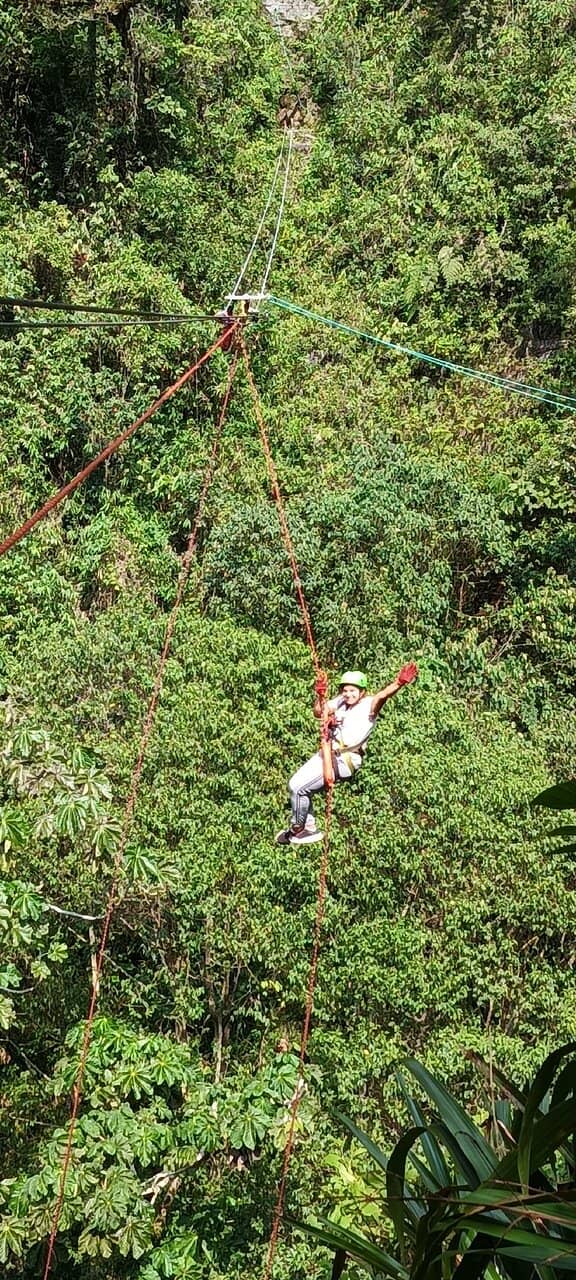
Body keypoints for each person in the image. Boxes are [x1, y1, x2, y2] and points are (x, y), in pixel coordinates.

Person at [275, 663, 418, 845]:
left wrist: (399, 683)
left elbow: (383, 696)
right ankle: (308, 826)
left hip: (344, 759)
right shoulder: (341, 702)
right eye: (345, 690)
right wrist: (319, 695)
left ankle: (298, 828)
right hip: (328, 753)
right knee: (294, 784)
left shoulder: (369, 706)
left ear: (362, 692)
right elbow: (319, 712)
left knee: (300, 789)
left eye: (353, 691)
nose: (348, 694)